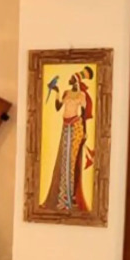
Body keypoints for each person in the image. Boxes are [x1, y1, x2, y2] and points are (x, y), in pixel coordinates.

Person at [41, 66, 94, 211]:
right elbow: (58, 107)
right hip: (66, 127)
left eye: (71, 78)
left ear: (76, 80)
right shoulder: (67, 93)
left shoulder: (81, 95)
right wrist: (57, 92)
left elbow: (84, 113)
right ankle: (62, 197)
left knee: (70, 162)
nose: (69, 80)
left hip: (76, 127)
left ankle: (68, 199)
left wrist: (85, 132)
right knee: (64, 161)